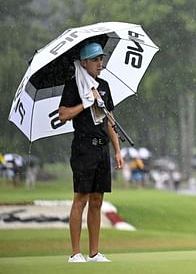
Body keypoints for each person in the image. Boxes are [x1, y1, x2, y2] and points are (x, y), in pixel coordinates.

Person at [59, 42, 124, 263]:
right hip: (83, 147)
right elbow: (63, 114)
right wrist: (85, 103)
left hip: (102, 147)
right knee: (81, 198)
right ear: (84, 62)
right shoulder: (73, 86)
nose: (100, 63)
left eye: (101, 59)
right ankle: (75, 253)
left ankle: (94, 253)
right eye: (95, 59)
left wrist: (117, 150)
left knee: (97, 200)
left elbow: (109, 120)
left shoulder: (104, 86)